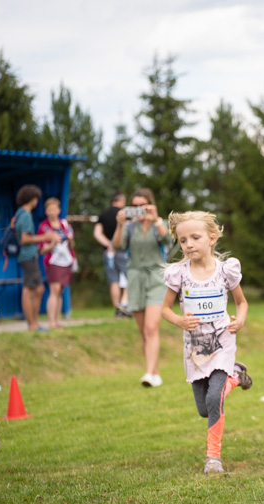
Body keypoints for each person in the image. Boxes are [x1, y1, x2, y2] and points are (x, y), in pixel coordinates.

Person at [161, 211, 249, 474]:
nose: (188, 244)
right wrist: (179, 321)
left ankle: (213, 459)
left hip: (222, 343)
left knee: (214, 399)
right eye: (182, 240)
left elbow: (241, 302)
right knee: (204, 408)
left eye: (195, 238)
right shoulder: (178, 274)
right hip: (195, 350)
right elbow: (165, 309)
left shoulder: (225, 270)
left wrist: (240, 321)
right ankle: (237, 375)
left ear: (211, 238)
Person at [112, 189, 170, 387]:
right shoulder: (129, 227)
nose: (139, 209)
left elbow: (169, 240)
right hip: (135, 278)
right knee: (143, 331)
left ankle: (148, 373)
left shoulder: (159, 224)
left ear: (150, 204)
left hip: (156, 278)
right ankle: (154, 372)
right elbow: (118, 246)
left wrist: (155, 220)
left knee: (151, 327)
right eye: (134, 206)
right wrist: (120, 225)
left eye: (142, 205)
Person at [13, 185, 60, 332]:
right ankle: (32, 326)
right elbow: (24, 239)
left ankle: (34, 324)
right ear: (32, 199)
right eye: (36, 199)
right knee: (29, 290)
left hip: (28, 256)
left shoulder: (19, 213)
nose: (37, 202)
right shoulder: (25, 215)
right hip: (28, 256)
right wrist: (45, 237)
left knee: (38, 289)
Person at [37, 197, 76, 331]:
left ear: (59, 210)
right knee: (54, 290)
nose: (52, 211)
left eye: (55, 208)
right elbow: (41, 249)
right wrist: (53, 243)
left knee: (60, 291)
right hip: (53, 261)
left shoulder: (65, 224)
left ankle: (58, 321)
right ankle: (52, 322)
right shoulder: (44, 227)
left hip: (66, 261)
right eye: (49, 209)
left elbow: (72, 244)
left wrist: (70, 240)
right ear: (46, 211)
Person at [94, 191, 131, 318]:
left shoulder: (103, 214)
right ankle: (124, 305)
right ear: (121, 200)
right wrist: (116, 244)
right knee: (130, 276)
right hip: (122, 251)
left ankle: (117, 309)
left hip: (108, 252)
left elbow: (97, 233)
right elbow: (129, 230)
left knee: (113, 280)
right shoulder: (125, 214)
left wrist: (108, 245)